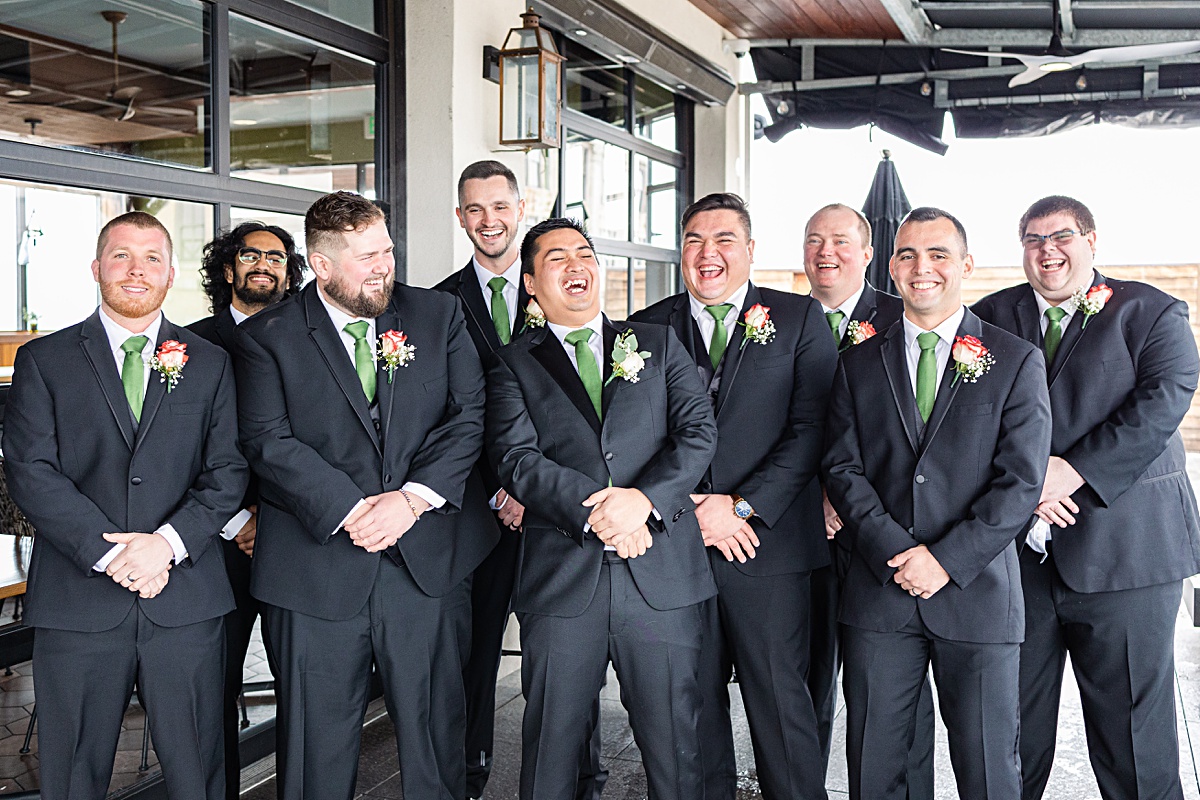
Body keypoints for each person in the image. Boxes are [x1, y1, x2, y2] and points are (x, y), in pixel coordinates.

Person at [234, 191, 494, 800]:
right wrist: (354, 511)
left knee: (435, 737)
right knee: (314, 749)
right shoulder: (266, 338)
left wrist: (410, 500)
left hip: (426, 561)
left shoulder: (438, 315)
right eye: (365, 256)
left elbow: (468, 416)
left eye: (387, 250)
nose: (383, 266)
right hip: (314, 569)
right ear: (321, 266)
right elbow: (268, 442)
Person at [3, 211, 247, 800]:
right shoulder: (45, 360)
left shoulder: (210, 362)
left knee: (199, 767)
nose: (136, 271)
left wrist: (165, 545)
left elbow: (228, 470)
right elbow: (30, 472)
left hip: (185, 598)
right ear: (96, 267)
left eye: (151, 259)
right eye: (121, 256)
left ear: (170, 274)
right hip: (78, 599)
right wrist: (111, 555)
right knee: (72, 769)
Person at [973, 195, 1200, 800]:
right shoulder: (987, 319)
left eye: (1062, 236)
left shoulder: (1150, 312)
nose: (1047, 250)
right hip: (1016, 559)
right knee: (1009, 730)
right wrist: (1026, 482)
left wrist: (1070, 472)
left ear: (1092, 240)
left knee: (1134, 734)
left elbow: (1161, 404)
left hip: (1127, 551)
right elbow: (965, 416)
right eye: (1032, 238)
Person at [485, 217, 718, 800]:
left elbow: (696, 435)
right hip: (563, 580)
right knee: (551, 749)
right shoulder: (512, 362)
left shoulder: (659, 344)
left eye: (584, 253)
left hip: (661, 577)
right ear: (532, 284)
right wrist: (599, 514)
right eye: (556, 258)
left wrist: (641, 502)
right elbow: (516, 459)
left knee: (677, 748)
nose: (575, 265)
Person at [824, 207, 1052, 800]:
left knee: (988, 770)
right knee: (878, 767)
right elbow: (843, 469)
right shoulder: (856, 363)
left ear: (966, 266)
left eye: (938, 254)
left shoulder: (1015, 358)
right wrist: (898, 552)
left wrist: (945, 560)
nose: (921, 267)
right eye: (907, 255)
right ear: (892, 267)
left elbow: (1021, 481)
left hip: (977, 596)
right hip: (880, 593)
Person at [631, 193, 834, 800]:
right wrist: (691, 506)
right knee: (689, 705)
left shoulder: (799, 319)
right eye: (694, 239)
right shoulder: (646, 326)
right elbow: (633, 436)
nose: (708, 252)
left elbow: (812, 431)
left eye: (723, 240)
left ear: (750, 250)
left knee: (780, 703)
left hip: (766, 548)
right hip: (677, 551)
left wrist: (739, 506)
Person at [802, 202, 934, 798]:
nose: (825, 252)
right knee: (806, 683)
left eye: (839, 240)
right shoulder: (784, 318)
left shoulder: (906, 314)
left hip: (888, 543)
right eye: (813, 240)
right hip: (801, 532)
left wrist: (852, 503)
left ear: (867, 252)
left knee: (891, 701)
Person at [188, 221, 304, 800]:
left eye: (277, 257)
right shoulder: (187, 344)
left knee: (304, 693)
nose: (264, 264)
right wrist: (236, 520)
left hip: (299, 542)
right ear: (228, 266)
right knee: (215, 691)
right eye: (251, 254)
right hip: (218, 547)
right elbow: (178, 451)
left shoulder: (311, 339)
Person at [433, 161, 530, 800]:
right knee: (474, 653)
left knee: (561, 656)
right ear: (460, 216)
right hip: (477, 509)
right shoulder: (436, 304)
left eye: (499, 206)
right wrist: (497, 489)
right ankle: (468, 774)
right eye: (474, 208)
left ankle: (579, 774)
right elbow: (438, 414)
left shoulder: (560, 285)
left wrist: (535, 488)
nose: (488, 220)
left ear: (520, 209)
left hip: (554, 507)